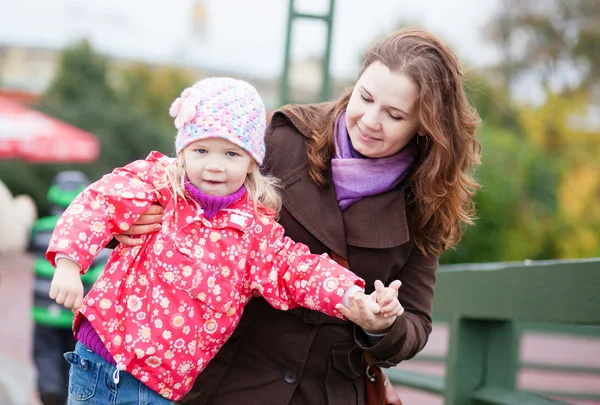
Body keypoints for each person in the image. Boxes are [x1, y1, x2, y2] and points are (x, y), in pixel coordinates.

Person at [117, 28, 482, 405]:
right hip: (229, 378)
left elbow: (416, 324)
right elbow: (186, 177)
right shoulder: (283, 136)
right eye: (366, 98)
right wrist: (135, 219)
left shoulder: (425, 198)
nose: (371, 121)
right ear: (354, 85)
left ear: (425, 125)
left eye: (394, 115)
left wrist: (383, 326)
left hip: (328, 391)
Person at [45, 77, 403, 403]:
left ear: (251, 161)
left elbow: (299, 269)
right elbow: (97, 203)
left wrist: (351, 294)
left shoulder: (254, 234)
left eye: (230, 153)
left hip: (163, 390)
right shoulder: (156, 188)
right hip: (102, 361)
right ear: (183, 150)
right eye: (201, 151)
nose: (214, 166)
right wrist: (69, 263)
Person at [29, 171, 108, 405]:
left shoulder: (41, 227)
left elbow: (31, 248)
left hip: (43, 309)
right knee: (69, 353)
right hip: (74, 310)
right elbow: (99, 271)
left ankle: (48, 386)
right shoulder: (91, 231)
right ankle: (65, 392)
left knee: (44, 352)